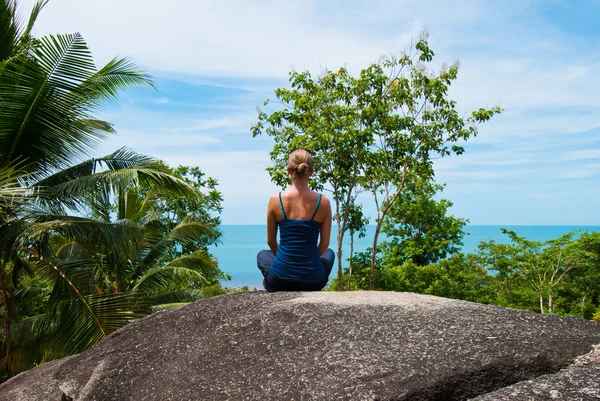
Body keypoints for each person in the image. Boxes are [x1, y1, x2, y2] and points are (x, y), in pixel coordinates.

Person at [257, 149, 335, 291]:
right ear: (311, 171)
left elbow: (271, 242)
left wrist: (287, 261)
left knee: (263, 255)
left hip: (280, 280)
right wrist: (307, 262)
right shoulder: (323, 202)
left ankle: (284, 268)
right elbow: (324, 244)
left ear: (288, 170)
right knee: (329, 253)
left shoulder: (275, 200)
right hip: (313, 280)